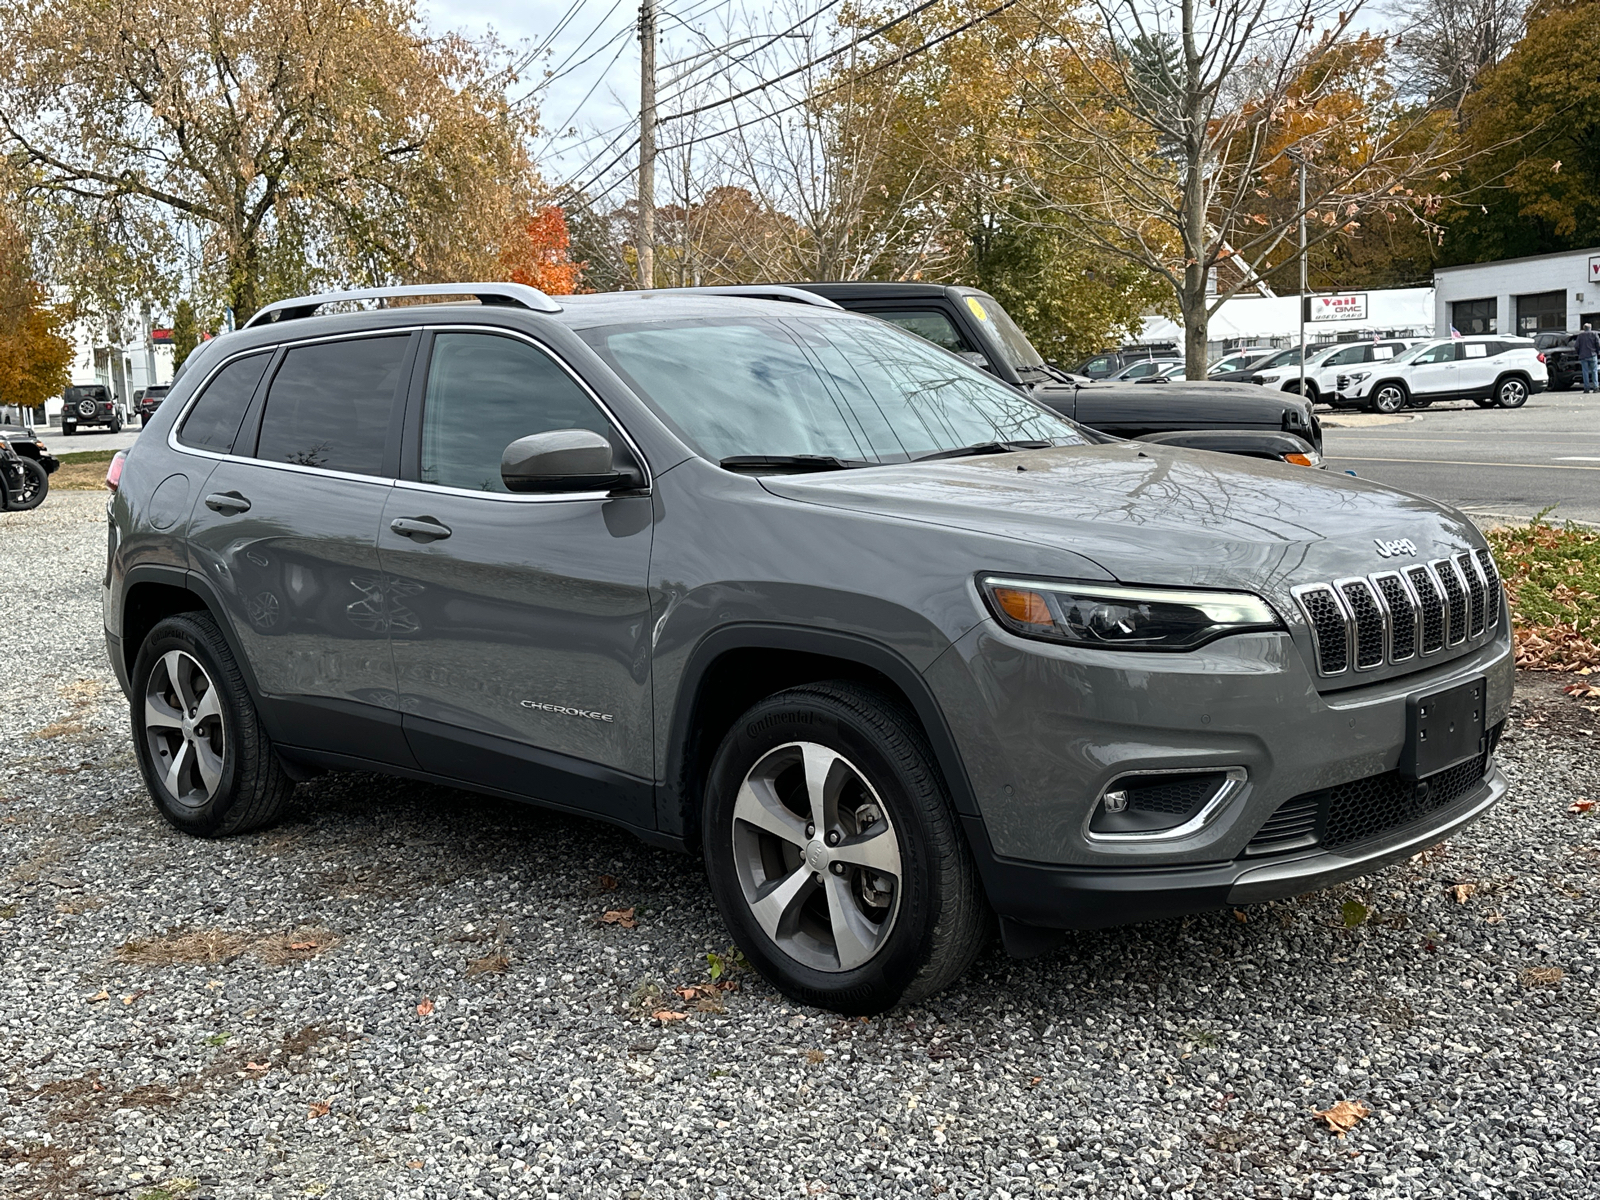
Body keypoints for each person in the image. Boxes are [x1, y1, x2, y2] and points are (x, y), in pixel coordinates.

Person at [1576, 322, 1600, 393]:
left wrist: (1579, 353)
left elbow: (1576, 346)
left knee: (1585, 372)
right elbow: (1598, 344)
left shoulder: (1580, 336)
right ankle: (1595, 387)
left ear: (1584, 328)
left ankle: (1586, 388)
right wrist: (1597, 352)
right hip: (1593, 355)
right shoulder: (1594, 334)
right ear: (1590, 328)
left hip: (1583, 356)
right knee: (1594, 371)